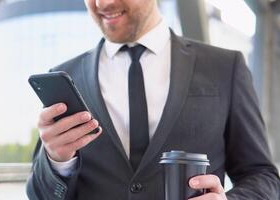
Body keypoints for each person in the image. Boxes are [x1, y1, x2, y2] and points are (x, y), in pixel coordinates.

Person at [26, 0, 280, 199]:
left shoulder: (225, 67)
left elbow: (263, 176)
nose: (103, 3)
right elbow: (39, 194)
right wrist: (57, 162)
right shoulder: (67, 76)